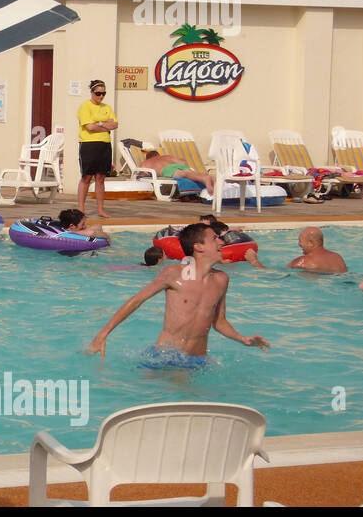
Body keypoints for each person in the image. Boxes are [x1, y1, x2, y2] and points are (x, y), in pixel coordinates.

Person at [87, 223, 270, 366]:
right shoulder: (173, 273)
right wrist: (103, 334)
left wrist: (242, 339)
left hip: (198, 360)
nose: (222, 242)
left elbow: (219, 322)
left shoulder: (222, 279)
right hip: (165, 357)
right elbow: (136, 301)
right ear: (198, 246)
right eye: (215, 238)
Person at [77, 80, 117, 218]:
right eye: (98, 93)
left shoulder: (107, 107)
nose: (101, 96)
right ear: (92, 92)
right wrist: (105, 124)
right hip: (89, 145)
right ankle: (81, 209)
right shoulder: (85, 107)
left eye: (103, 93)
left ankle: (101, 209)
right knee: (86, 177)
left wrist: (98, 124)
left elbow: (115, 125)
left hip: (105, 145)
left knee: (101, 178)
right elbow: (90, 128)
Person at [144, 149, 213, 196]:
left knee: (184, 174)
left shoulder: (148, 162)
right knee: (190, 173)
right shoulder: (167, 157)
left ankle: (205, 178)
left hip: (167, 169)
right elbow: (183, 162)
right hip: (178, 164)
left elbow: (142, 173)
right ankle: (206, 178)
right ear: (158, 155)